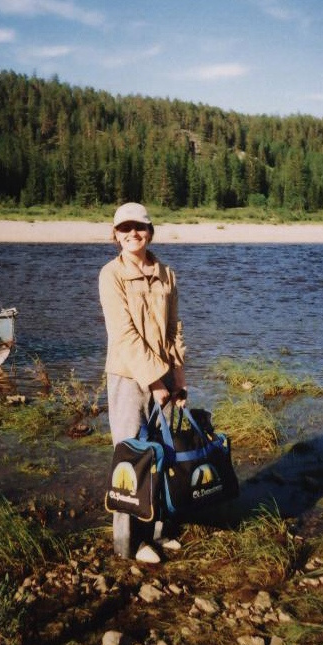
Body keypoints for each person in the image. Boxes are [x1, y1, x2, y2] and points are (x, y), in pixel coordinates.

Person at [99, 202, 187, 561]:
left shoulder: (166, 273)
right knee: (131, 457)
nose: (133, 233)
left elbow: (173, 329)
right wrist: (153, 380)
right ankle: (130, 543)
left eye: (140, 227)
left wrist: (177, 378)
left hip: (163, 378)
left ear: (151, 231)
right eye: (125, 228)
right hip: (127, 377)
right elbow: (124, 334)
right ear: (115, 234)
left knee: (163, 453)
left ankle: (158, 531)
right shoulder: (111, 275)